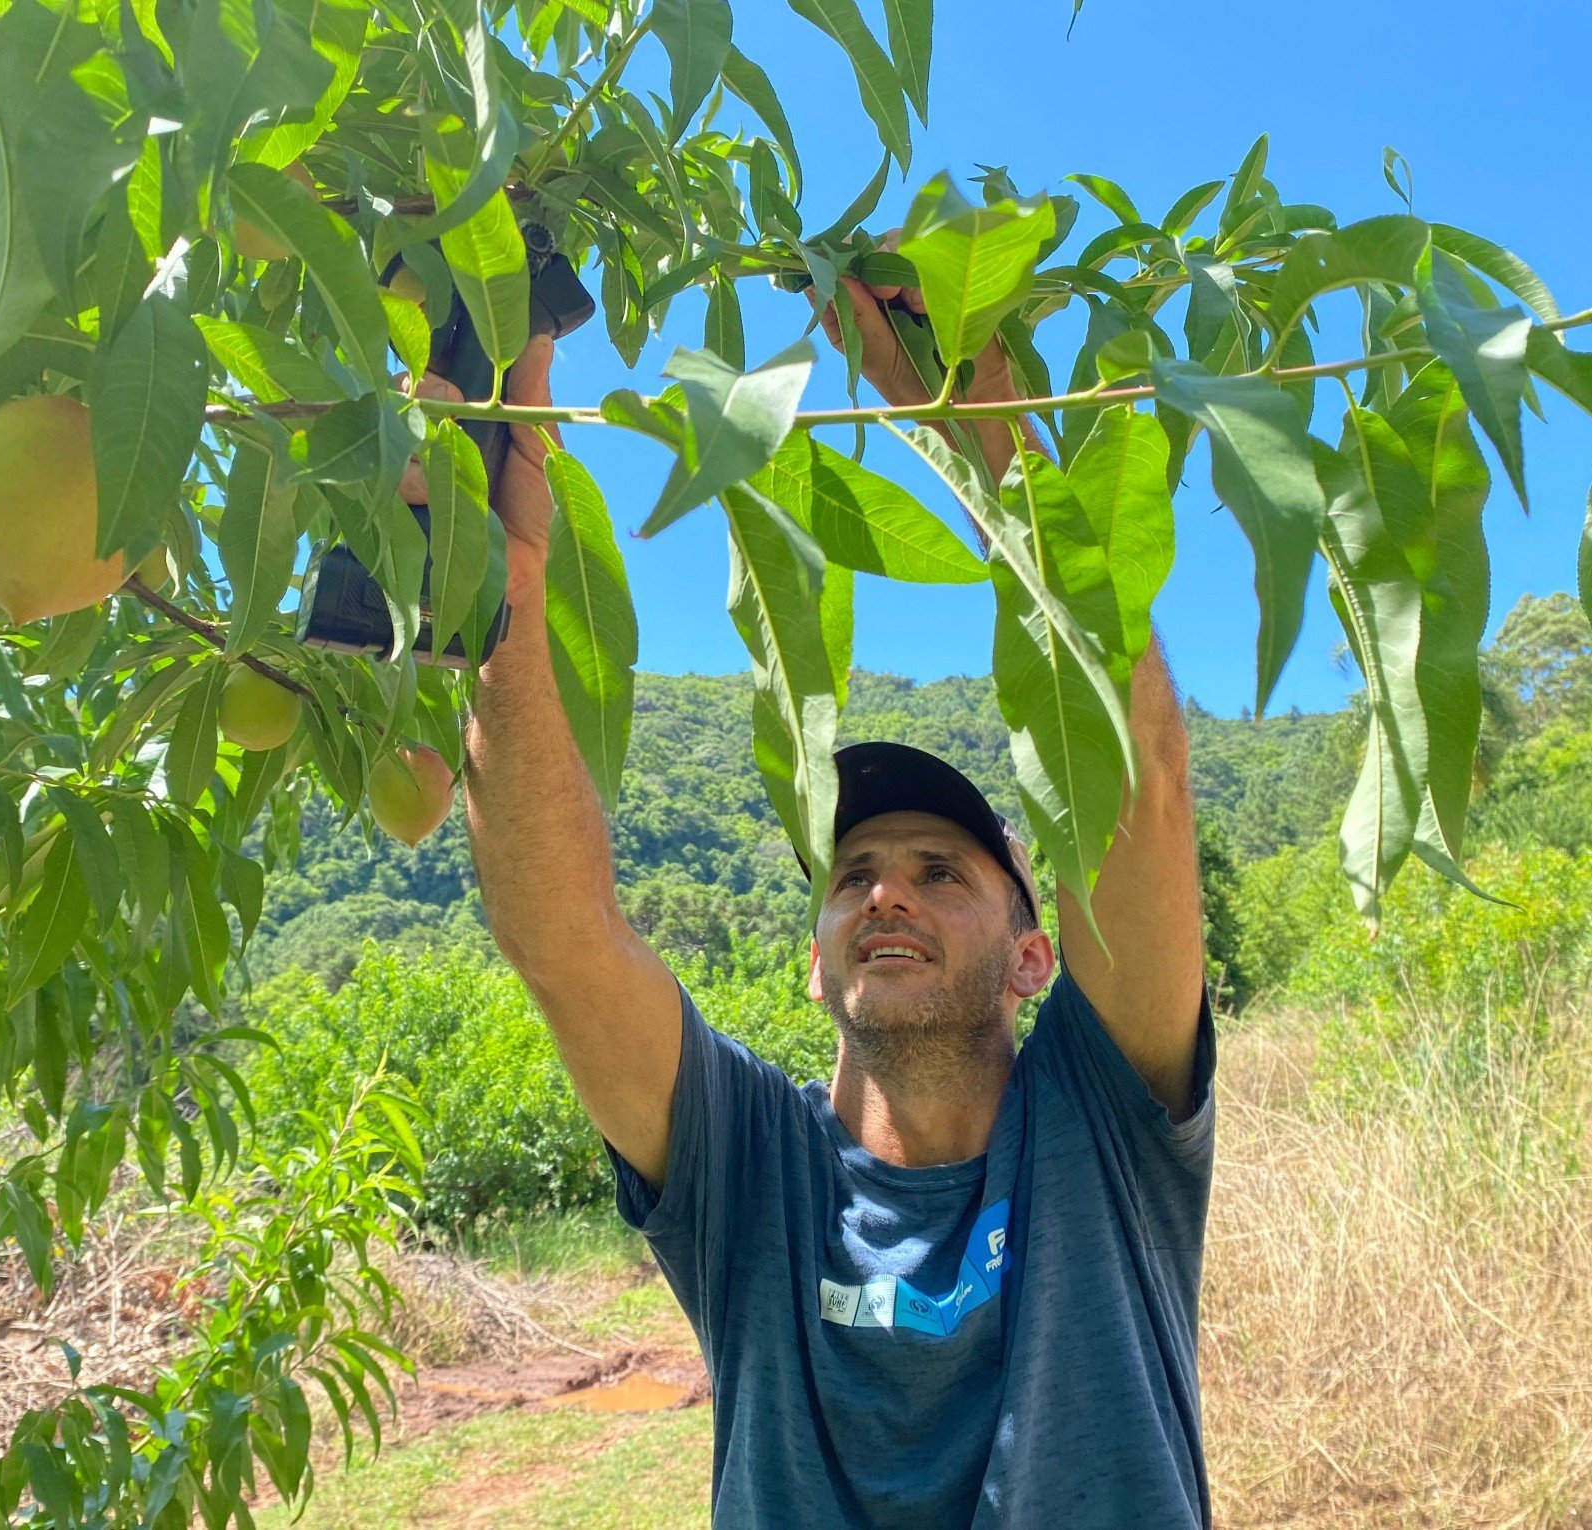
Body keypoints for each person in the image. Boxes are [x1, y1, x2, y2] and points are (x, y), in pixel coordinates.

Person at [457, 256, 1212, 1527]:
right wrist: (505, 587)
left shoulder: (1104, 1122)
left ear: (1037, 958)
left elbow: (1142, 782)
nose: (885, 897)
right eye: (852, 874)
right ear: (814, 961)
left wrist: (987, 443)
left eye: (940, 872)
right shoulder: (748, 1167)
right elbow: (562, 939)